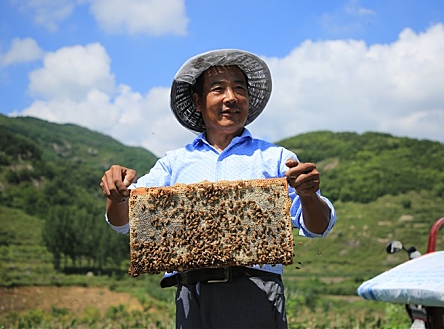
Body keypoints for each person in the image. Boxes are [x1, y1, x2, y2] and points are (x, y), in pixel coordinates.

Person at [100, 49, 336, 328]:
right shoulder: (174, 163)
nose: (231, 97)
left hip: (255, 292)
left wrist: (308, 197)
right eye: (218, 89)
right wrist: (117, 194)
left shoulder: (274, 158)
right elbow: (124, 221)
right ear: (198, 102)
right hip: (190, 295)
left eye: (239, 89)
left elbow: (319, 227)